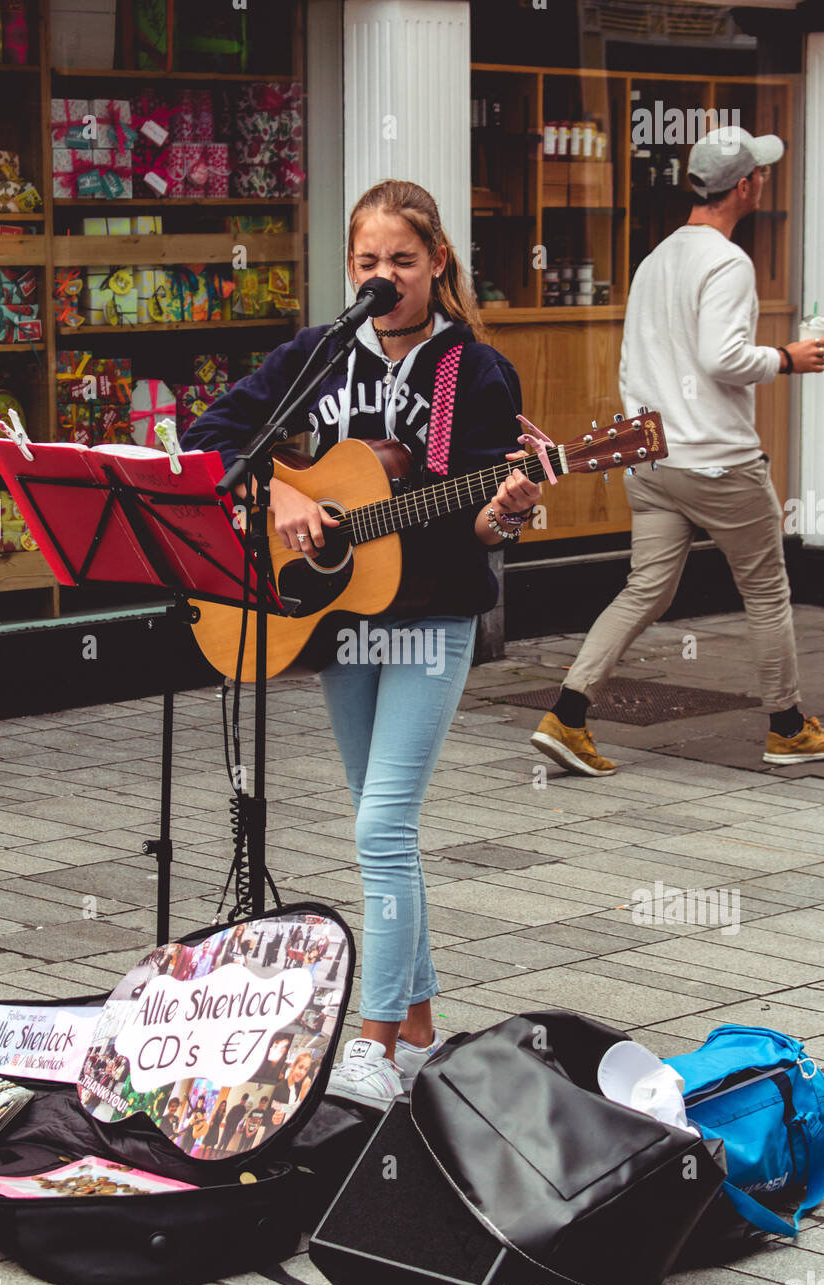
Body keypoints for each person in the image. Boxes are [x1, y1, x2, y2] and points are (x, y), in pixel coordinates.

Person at [184, 178, 543, 1109]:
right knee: (384, 830)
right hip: (342, 617)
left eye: (404, 263)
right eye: (368, 263)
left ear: (439, 265)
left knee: (382, 828)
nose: (385, 279)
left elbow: (477, 520)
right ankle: (420, 1030)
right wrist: (287, 493)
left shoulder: (474, 371)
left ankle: (375, 1045)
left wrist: (507, 509)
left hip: (430, 617)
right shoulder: (321, 353)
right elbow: (211, 434)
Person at [532, 127, 824, 777]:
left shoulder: (655, 260)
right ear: (743, 186)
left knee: (644, 591)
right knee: (769, 591)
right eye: (761, 175)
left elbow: (633, 365)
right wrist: (789, 359)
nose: (765, 182)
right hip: (718, 460)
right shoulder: (728, 261)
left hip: (653, 457)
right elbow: (722, 358)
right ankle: (786, 728)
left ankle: (568, 713)